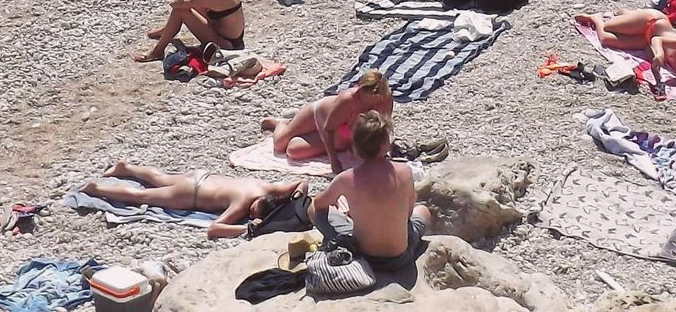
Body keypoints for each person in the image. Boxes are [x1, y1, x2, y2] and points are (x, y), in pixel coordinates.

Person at [313, 112, 430, 272]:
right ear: (385, 144)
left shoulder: (346, 179)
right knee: (423, 210)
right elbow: (408, 214)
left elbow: (318, 204)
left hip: (363, 257)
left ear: (355, 147)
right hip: (400, 258)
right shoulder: (404, 172)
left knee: (313, 209)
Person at [73, 162, 304, 239]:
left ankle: (127, 167)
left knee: (158, 177)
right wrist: (246, 228)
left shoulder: (269, 187)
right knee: (142, 197)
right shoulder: (242, 202)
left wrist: (296, 196)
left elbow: (301, 183)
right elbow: (214, 229)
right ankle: (97, 189)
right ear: (256, 205)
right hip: (190, 194)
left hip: (200, 176)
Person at [262, 72, 395, 171]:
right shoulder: (348, 100)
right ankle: (282, 123)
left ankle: (299, 130)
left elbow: (383, 129)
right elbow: (328, 129)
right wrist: (334, 161)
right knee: (280, 144)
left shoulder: (386, 99)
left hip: (343, 133)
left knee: (294, 151)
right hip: (319, 115)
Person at [135, 0, 247, 61]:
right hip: (225, 34)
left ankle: (157, 51)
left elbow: (175, 4)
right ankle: (166, 30)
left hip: (227, 44)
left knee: (179, 11)